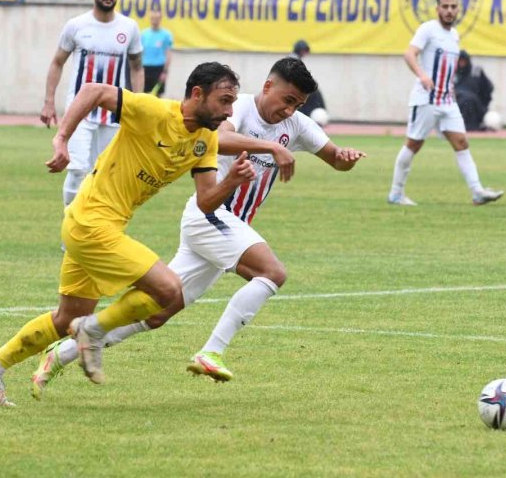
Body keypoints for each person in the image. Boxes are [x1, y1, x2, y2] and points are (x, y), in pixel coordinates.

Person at [29, 57, 367, 395]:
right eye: (287, 100)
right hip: (211, 216)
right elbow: (219, 139)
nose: (290, 110)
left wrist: (346, 158)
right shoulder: (236, 107)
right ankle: (211, 351)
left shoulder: (297, 125)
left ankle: (64, 352)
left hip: (227, 229)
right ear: (268, 87)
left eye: (298, 105)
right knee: (272, 273)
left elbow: (335, 159)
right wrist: (269, 147)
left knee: (158, 312)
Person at [0, 63, 255, 406]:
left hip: (99, 225)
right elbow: (93, 91)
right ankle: (94, 330)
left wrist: (231, 181)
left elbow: (207, 202)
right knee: (170, 291)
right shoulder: (153, 111)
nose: (229, 111)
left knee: (66, 318)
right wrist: (61, 138)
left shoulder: (204, 141)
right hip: (90, 222)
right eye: (224, 100)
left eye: (232, 102)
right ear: (197, 94)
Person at [388, 0, 504, 207]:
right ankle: (396, 193)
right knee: (413, 144)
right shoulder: (428, 29)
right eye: (445, 6)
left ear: (458, 9)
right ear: (438, 9)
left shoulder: (454, 35)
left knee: (461, 142)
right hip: (426, 99)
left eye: (453, 7)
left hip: (446, 101)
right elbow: (409, 54)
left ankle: (477, 192)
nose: (449, 11)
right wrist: (422, 75)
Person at [39, 0, 144, 206]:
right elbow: (57, 62)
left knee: (105, 175)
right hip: (80, 111)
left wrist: (137, 104)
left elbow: (137, 66)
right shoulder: (76, 25)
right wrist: (48, 101)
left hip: (114, 114)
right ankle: (70, 237)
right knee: (76, 170)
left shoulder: (129, 28)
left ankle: (94, 232)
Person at [289, 39, 328, 125]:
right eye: (304, 50)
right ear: (299, 49)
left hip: (296, 87)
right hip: (294, 89)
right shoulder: (293, 59)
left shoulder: (294, 58)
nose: (305, 53)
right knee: (314, 94)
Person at [454, 50, 494, 131]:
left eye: (464, 61)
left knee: (468, 99)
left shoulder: (476, 72)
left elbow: (488, 88)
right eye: (460, 61)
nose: (462, 63)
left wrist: (484, 104)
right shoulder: (452, 72)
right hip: (457, 103)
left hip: (476, 104)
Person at [141, 7, 174, 96]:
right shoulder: (144, 34)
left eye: (156, 18)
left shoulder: (166, 35)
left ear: (160, 19)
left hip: (159, 69)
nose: (154, 21)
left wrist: (165, 72)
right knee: (144, 95)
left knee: (157, 96)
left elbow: (168, 54)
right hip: (145, 68)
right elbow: (140, 53)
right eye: (152, 18)